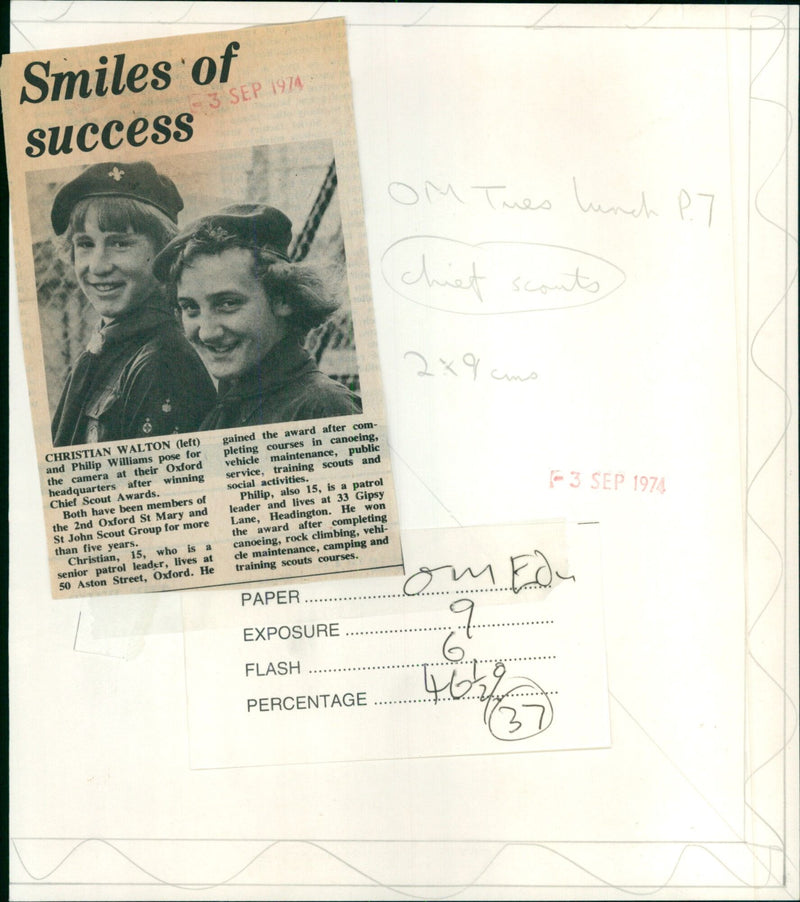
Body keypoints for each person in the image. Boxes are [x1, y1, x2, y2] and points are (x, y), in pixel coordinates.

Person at [49, 161, 216, 446]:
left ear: (163, 252)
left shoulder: (161, 364)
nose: (97, 266)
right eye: (85, 244)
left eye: (120, 244)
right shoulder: (112, 345)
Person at [153, 203, 362, 430]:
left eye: (227, 303)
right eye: (191, 308)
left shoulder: (324, 410)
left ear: (282, 298)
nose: (207, 332)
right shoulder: (228, 406)